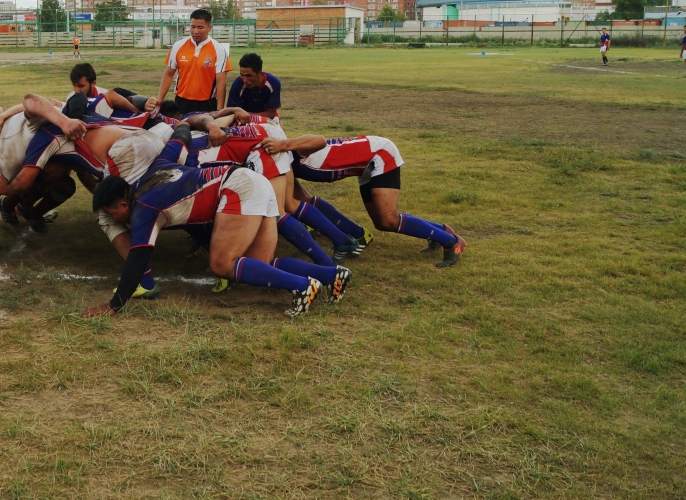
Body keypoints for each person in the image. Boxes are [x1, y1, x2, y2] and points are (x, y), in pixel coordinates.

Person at [85, 127, 350, 319]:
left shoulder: (143, 208)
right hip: (251, 180)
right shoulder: (159, 164)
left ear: (122, 204)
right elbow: (181, 134)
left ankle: (302, 287)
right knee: (260, 263)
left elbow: (137, 259)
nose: (113, 218)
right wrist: (183, 125)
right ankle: (330, 275)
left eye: (111, 213)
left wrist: (114, 305)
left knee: (221, 264)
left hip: (236, 187)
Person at [261, 131, 467, 267]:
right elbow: (301, 200)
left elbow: (319, 140)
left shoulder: (287, 153)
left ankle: (451, 242)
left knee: (388, 219)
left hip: (379, 153)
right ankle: (441, 231)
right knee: (381, 223)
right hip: (364, 164)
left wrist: (283, 144)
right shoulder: (281, 168)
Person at [155, 8, 230, 116]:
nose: (195, 31)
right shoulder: (178, 46)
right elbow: (169, 74)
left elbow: (221, 83)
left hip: (207, 104)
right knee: (180, 131)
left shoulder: (219, 50)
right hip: (181, 102)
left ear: (209, 28)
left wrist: (219, 111)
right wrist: (159, 101)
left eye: (200, 27)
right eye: (193, 27)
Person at [226, 52, 281, 118]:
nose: (245, 80)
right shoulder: (238, 84)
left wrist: (245, 115)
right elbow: (231, 113)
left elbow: (271, 114)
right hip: (242, 121)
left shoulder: (273, 83)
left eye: (249, 75)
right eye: (242, 75)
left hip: (266, 119)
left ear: (260, 74)